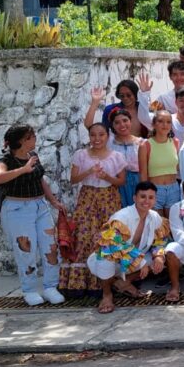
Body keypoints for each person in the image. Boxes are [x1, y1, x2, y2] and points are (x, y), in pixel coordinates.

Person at [0, 125, 68, 306]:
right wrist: (22, 170)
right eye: (31, 136)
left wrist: (53, 201)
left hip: (40, 206)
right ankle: (30, 289)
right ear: (22, 141)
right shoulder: (6, 160)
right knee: (26, 250)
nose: (35, 138)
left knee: (51, 247)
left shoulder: (33, 157)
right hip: (18, 209)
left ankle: (50, 287)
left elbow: (40, 180)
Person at [59, 123, 127, 298]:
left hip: (108, 198)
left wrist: (106, 177)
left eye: (101, 135)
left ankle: (108, 281)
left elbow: (121, 182)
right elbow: (73, 179)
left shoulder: (116, 156)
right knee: (83, 235)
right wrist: (89, 171)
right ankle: (80, 282)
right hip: (87, 198)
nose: (97, 139)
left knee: (107, 236)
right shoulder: (81, 155)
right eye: (93, 135)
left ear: (108, 136)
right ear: (89, 137)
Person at [87, 181, 170, 314]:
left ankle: (123, 283)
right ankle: (107, 295)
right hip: (109, 259)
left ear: (155, 199)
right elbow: (112, 244)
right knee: (106, 256)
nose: (146, 201)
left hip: (131, 261)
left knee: (159, 259)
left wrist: (159, 256)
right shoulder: (122, 217)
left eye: (151, 197)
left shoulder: (154, 217)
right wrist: (140, 261)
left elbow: (160, 240)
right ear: (134, 198)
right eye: (143, 196)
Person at [138, 109, 182, 213]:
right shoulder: (145, 145)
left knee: (173, 225)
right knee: (158, 226)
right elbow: (143, 174)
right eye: (161, 121)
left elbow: (177, 167)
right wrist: (147, 194)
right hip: (154, 190)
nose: (165, 125)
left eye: (168, 122)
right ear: (153, 124)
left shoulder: (175, 142)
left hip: (174, 189)